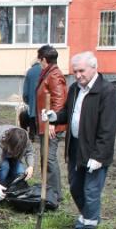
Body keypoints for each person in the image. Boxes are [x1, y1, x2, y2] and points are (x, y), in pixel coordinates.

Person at [44, 51, 116, 229]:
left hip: (94, 150)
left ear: (94, 68)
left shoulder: (106, 92)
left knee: (91, 190)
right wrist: (55, 116)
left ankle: (86, 226)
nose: (78, 75)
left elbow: (108, 129)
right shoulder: (75, 89)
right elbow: (68, 113)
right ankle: (89, 216)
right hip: (76, 146)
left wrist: (99, 156)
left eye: (81, 71)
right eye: (75, 71)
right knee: (76, 187)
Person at [35, 45, 68, 201]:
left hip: (51, 126)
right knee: (45, 156)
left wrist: (53, 123)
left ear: (44, 59)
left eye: (39, 59)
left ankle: (54, 194)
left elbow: (59, 100)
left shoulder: (54, 75)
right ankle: (48, 190)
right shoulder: (48, 73)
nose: (39, 62)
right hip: (45, 124)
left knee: (49, 158)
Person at [22, 57, 42, 141]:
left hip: (32, 100)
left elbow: (25, 91)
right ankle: (40, 135)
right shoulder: (45, 70)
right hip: (43, 101)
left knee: (32, 114)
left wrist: (26, 100)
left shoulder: (29, 72)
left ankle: (32, 135)